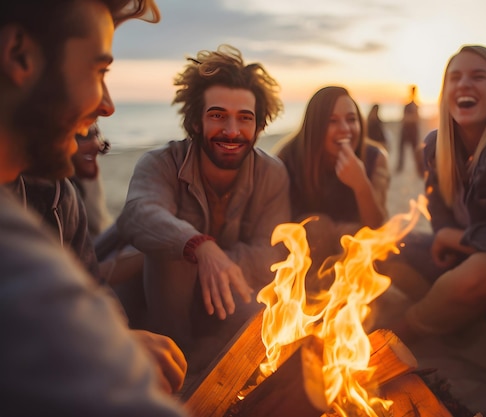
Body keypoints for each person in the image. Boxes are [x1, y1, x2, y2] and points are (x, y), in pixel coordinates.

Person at [0, 0, 190, 415]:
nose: (107, 105)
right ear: (19, 54)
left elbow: (92, 291)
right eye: (99, 71)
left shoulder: (55, 194)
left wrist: (114, 336)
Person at [116, 44, 291, 371]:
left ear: (258, 126)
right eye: (217, 116)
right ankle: (174, 364)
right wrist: (201, 248)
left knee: (262, 324)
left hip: (225, 295)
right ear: (196, 122)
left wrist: (221, 263)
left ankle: (203, 370)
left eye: (244, 118)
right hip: (151, 300)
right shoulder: (160, 163)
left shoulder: (272, 173)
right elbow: (138, 215)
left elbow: (271, 253)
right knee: (174, 253)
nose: (231, 131)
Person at [382, 45, 486, 337]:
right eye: (455, 77)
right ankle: (450, 309)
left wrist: (455, 238)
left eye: (478, 76)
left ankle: (411, 326)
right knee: (384, 245)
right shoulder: (437, 147)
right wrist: (448, 237)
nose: (464, 84)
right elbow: (439, 214)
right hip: (457, 257)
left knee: (484, 272)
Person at [273, 86, 390, 276]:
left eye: (351, 120)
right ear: (315, 126)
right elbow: (277, 230)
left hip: (356, 263)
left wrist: (361, 185)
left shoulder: (375, 158)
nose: (345, 129)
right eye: (332, 121)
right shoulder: (287, 159)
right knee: (317, 227)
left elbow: (377, 226)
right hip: (304, 263)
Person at [71, 122, 114, 237]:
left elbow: (99, 224)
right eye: (84, 136)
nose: (96, 144)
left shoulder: (88, 172)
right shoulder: (59, 190)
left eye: (97, 135)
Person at [396, 84, 425, 177]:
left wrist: (410, 118)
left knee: (415, 151)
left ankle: (419, 170)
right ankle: (400, 167)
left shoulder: (414, 105)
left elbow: (415, 118)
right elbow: (406, 118)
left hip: (412, 130)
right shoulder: (410, 105)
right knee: (402, 149)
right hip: (407, 129)